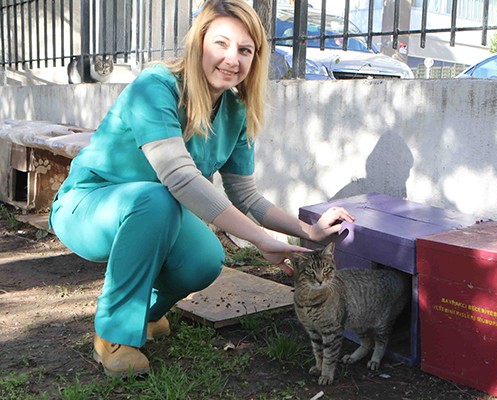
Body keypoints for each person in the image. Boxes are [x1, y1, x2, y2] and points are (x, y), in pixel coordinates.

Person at [49, 0, 354, 377]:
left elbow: (246, 195)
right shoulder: (155, 86)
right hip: (89, 207)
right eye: (221, 44)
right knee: (157, 197)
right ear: (198, 42)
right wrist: (260, 239)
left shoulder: (235, 111)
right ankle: (113, 332)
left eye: (245, 50)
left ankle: (145, 313)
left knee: (206, 258)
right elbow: (178, 177)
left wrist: (308, 232)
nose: (232, 59)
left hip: (155, 213)